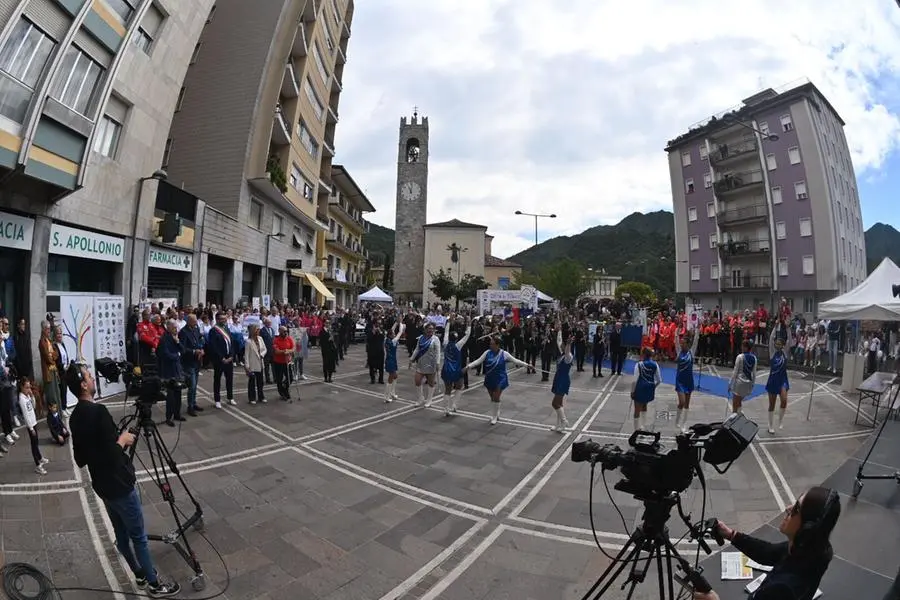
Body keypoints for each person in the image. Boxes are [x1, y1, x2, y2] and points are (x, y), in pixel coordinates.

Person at [67, 363, 181, 597]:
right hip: (119, 484)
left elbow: (80, 459)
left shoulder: (75, 416)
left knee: (121, 536)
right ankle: (154, 584)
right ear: (83, 385)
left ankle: (138, 574)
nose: (93, 379)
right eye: (89, 377)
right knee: (138, 537)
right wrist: (122, 440)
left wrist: (108, 442)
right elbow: (113, 454)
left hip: (102, 486)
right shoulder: (98, 412)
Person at [695, 486, 840, 600]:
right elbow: (769, 553)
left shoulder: (780, 589)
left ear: (808, 528)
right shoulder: (814, 549)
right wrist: (731, 535)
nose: (788, 508)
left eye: (796, 508)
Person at [463, 335, 530, 425]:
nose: (490, 346)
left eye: (492, 344)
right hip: (490, 378)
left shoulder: (504, 354)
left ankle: (494, 416)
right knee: (493, 398)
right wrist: (468, 366)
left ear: (498, 345)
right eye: (490, 344)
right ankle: (496, 412)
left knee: (496, 396)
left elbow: (516, 361)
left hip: (500, 378)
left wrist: (527, 365)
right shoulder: (487, 353)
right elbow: (478, 361)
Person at [440, 317, 471, 416]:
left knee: (447, 390)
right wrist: (469, 324)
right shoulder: (458, 345)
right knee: (459, 387)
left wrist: (448, 322)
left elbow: (445, 332)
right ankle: (454, 405)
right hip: (456, 370)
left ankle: (446, 409)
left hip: (446, 369)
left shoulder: (445, 343)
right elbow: (467, 335)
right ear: (457, 338)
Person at [157, 320, 185, 426]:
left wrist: (178, 342)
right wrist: (176, 355)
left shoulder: (175, 337)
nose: (176, 330)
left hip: (177, 370)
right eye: (174, 328)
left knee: (178, 393)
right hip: (169, 370)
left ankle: (177, 414)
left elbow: (183, 350)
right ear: (168, 327)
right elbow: (164, 354)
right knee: (171, 396)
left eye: (176, 328)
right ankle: (169, 417)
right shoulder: (164, 338)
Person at [18, 378, 48, 475]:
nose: (28, 389)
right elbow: (26, 415)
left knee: (36, 442)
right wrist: (30, 428)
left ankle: (40, 457)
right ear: (21, 387)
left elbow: (33, 407)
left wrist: (32, 397)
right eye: (26, 388)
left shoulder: (26, 396)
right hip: (30, 424)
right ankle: (38, 465)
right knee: (34, 444)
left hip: (34, 421)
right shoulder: (22, 399)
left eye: (29, 387)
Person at [766, 329, 793, 435]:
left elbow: (789, 341)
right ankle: (770, 425)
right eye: (776, 343)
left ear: (782, 345)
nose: (777, 345)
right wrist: (776, 326)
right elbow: (770, 340)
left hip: (783, 380)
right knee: (771, 404)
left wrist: (787, 328)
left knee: (784, 400)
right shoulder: (772, 353)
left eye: (779, 344)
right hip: (773, 380)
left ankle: (780, 420)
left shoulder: (785, 353)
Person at [410, 322, 442, 408]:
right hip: (421, 362)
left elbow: (438, 352)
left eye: (432, 329)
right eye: (429, 328)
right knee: (417, 380)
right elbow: (417, 349)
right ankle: (420, 398)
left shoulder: (436, 339)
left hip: (431, 363)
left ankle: (429, 400)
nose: (430, 330)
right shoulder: (421, 338)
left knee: (431, 382)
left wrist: (438, 363)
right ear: (425, 329)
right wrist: (411, 359)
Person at [207, 312, 235, 408]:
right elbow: (213, 346)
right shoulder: (213, 331)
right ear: (217, 319)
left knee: (229, 379)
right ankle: (217, 400)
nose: (224, 320)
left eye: (225, 319)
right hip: (219, 359)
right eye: (222, 319)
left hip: (229, 357)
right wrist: (221, 358)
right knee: (217, 379)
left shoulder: (226, 328)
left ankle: (230, 397)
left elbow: (231, 342)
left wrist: (231, 355)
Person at [631, 347, 661, 432]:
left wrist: (632, 391)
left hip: (640, 388)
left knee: (637, 410)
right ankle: (643, 426)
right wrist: (653, 387)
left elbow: (635, 380)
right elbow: (659, 380)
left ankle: (636, 430)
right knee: (644, 406)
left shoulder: (639, 365)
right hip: (649, 388)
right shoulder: (655, 364)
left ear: (643, 354)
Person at [674, 331, 699, 433]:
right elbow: (675, 341)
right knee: (682, 402)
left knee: (687, 404)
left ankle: (684, 424)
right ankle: (677, 420)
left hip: (689, 380)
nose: (681, 344)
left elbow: (696, 341)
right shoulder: (679, 351)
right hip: (680, 380)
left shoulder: (691, 352)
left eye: (683, 343)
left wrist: (697, 331)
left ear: (687, 344)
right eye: (681, 343)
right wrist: (676, 332)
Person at [550, 330, 574, 433]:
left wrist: (568, 343)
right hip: (558, 379)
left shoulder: (568, 357)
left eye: (564, 345)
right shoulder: (563, 356)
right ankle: (558, 425)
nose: (562, 346)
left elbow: (568, 351)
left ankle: (564, 421)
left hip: (563, 381)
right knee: (559, 403)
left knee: (555, 403)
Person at [729, 339, 757, 414]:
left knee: (735, 403)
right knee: (739, 401)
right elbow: (754, 373)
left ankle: (735, 419)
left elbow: (735, 372)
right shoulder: (754, 358)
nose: (741, 347)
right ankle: (740, 414)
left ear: (746, 347)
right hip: (748, 383)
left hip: (739, 383)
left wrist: (730, 383)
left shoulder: (740, 357)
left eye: (743, 346)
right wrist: (752, 385)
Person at [244, 324, 267, 404]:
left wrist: (262, 354)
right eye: (257, 329)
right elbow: (246, 355)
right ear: (253, 331)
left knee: (260, 382)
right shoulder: (248, 342)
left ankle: (261, 396)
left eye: (258, 329)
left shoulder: (260, 338)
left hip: (260, 363)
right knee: (252, 382)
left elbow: (264, 349)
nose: (258, 331)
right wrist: (247, 366)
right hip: (252, 364)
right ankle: (252, 398)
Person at [383, 322, 405, 403]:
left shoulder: (387, 340)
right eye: (393, 334)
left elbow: (391, 330)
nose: (395, 334)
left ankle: (392, 393)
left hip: (391, 360)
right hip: (391, 361)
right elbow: (400, 332)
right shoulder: (393, 341)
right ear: (390, 335)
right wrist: (401, 324)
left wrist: (396, 322)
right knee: (390, 378)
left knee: (395, 376)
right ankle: (386, 397)